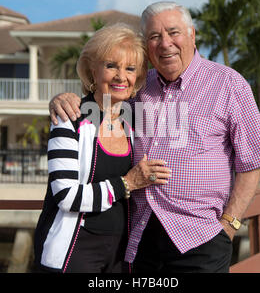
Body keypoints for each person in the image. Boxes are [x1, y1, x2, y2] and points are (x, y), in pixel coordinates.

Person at [49, 1, 260, 273]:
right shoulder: (139, 89)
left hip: (201, 238)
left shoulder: (229, 84)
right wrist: (62, 100)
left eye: (173, 32)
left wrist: (229, 224)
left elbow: (253, 161)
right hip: (140, 238)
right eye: (155, 36)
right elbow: (100, 106)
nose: (165, 43)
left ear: (192, 34)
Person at [33, 23, 171, 273]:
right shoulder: (70, 119)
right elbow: (67, 196)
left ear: (138, 77)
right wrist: (127, 183)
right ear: (92, 70)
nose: (121, 76)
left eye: (130, 69)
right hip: (73, 253)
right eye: (111, 66)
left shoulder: (134, 123)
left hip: (121, 255)